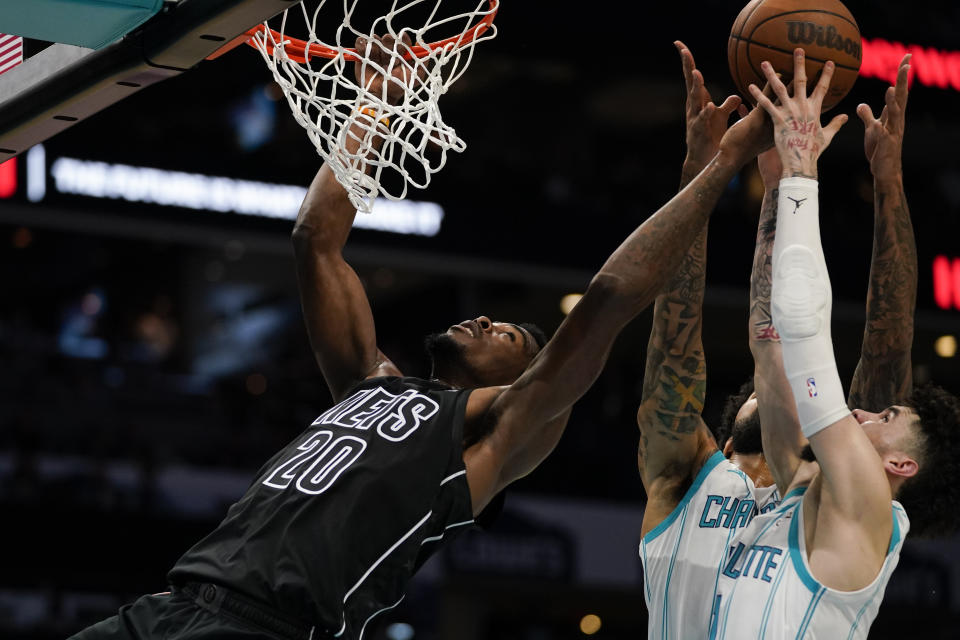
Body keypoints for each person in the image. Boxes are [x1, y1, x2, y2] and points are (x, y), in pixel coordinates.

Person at [69, 34, 773, 640]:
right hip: (166, 607)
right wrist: (378, 102)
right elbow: (316, 237)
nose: (489, 320)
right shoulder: (368, 383)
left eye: (513, 336)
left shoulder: (493, 438)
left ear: (520, 380)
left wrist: (713, 170)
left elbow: (606, 302)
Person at [708, 50, 960, 638]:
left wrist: (802, 173)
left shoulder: (868, 500)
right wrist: (777, 188)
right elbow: (772, 344)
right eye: (887, 409)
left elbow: (801, 326)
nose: (868, 407)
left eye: (888, 415)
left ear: (901, 466)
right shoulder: (806, 489)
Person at [637, 42, 779, 640]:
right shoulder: (687, 477)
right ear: (722, 436)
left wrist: (789, 191)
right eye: (755, 394)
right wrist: (702, 170)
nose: (768, 394)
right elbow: (675, 346)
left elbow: (783, 338)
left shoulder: (821, 493)